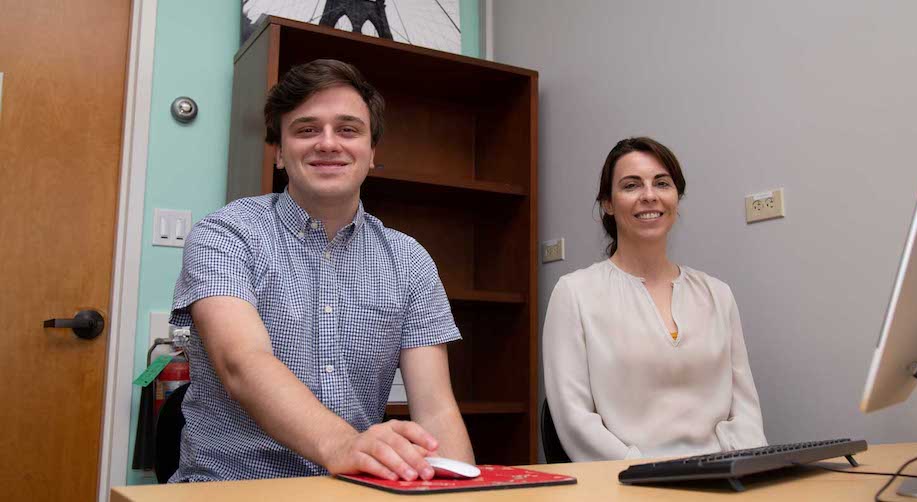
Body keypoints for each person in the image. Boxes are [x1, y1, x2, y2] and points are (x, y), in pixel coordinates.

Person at [168, 59, 474, 483]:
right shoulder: (224, 235)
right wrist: (342, 445)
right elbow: (242, 362)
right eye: (306, 129)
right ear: (278, 152)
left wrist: (460, 490)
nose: (328, 143)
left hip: (354, 489)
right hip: (231, 487)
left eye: (348, 130)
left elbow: (436, 407)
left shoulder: (410, 261)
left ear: (372, 153)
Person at [542, 137, 767, 462]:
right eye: (631, 185)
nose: (649, 196)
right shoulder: (574, 294)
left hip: (722, 478)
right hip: (629, 483)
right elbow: (574, 419)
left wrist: (747, 470)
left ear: (676, 196)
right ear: (608, 203)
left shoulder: (718, 294)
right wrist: (640, 472)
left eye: (661, 183)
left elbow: (746, 409)